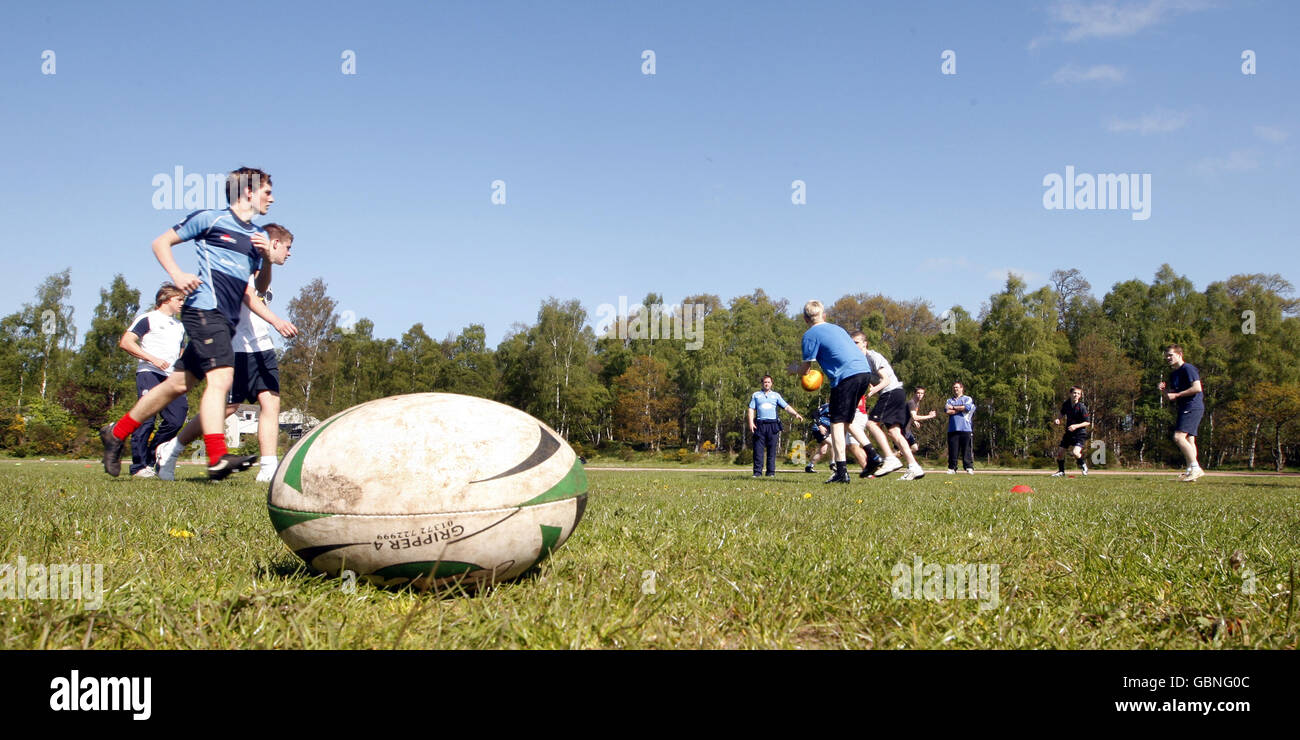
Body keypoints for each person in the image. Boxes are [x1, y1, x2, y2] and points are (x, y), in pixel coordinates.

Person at [100, 167, 280, 480]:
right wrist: (178, 275)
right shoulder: (210, 219)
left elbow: (260, 289)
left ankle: (117, 432)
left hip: (226, 322)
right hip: (203, 311)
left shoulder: (258, 237)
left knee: (177, 385)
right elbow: (161, 243)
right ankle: (217, 456)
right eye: (267, 191)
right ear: (248, 191)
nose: (272, 198)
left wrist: (265, 258)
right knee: (222, 379)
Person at [155, 224, 298, 482]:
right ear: (275, 242)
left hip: (261, 346)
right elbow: (248, 297)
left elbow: (262, 288)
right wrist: (278, 322)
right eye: (288, 248)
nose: (289, 254)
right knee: (227, 409)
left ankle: (268, 468)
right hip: (236, 347)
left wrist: (267, 261)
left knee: (271, 402)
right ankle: (171, 449)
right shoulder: (239, 260)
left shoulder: (259, 264)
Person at [794, 301, 873, 484]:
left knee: (836, 424)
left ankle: (841, 472)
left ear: (806, 319)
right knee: (846, 422)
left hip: (845, 377)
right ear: (825, 315)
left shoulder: (809, 335)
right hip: (864, 373)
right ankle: (873, 455)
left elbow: (806, 370)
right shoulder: (838, 329)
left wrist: (793, 370)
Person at [118, 284, 188, 477]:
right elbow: (126, 342)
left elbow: (181, 351)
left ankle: (154, 455)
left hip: (171, 378)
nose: (183, 303)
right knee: (146, 419)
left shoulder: (180, 326)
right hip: (149, 373)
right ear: (165, 299)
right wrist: (152, 359)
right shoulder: (148, 319)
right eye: (179, 299)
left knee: (177, 419)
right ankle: (139, 466)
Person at [851, 331, 926, 480]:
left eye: (857, 342)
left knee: (871, 423)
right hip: (896, 393)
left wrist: (873, 391)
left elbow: (885, 380)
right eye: (851, 343)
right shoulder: (862, 361)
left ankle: (890, 459)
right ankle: (914, 466)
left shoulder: (873, 357)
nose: (854, 346)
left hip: (891, 392)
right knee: (894, 433)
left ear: (865, 343)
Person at [1158, 344, 1205, 482]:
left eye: (1170, 355)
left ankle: (1196, 468)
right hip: (1184, 407)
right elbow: (1171, 396)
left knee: (1178, 437)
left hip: (1193, 406)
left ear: (1179, 354)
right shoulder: (1174, 374)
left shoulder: (1188, 368)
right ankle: (1191, 470)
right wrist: (1163, 391)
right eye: (1166, 355)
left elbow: (1197, 388)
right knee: (1189, 439)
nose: (1168, 358)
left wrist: (1177, 395)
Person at [747, 375, 804, 477]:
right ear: (762, 383)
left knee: (771, 450)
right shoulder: (756, 395)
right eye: (765, 382)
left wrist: (796, 414)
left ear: (771, 384)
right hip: (759, 425)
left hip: (773, 425)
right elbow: (751, 409)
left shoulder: (776, 396)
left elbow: (786, 407)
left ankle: (770, 473)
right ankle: (757, 473)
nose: (767, 384)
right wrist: (751, 422)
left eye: (768, 382)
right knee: (758, 450)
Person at [1051, 385, 1090, 477]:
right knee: (1060, 453)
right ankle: (1061, 471)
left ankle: (1084, 466)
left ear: (1080, 396)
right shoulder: (1066, 404)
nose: (1076, 395)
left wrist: (1076, 426)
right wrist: (1058, 419)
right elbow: (1062, 413)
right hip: (1069, 433)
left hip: (1080, 434)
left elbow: (1087, 422)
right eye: (1074, 393)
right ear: (1070, 394)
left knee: (1075, 452)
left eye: (1078, 394)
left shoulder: (1081, 407)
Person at [945, 381, 976, 474]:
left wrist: (954, 408)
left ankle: (969, 467)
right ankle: (952, 468)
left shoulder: (967, 398)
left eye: (957, 387)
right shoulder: (949, 400)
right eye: (954, 387)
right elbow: (947, 411)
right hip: (952, 429)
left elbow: (967, 408)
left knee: (967, 449)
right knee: (953, 450)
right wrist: (960, 409)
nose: (955, 389)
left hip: (966, 428)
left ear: (962, 388)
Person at [905, 386, 936, 454]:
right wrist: (929, 416)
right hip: (902, 429)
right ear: (914, 393)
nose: (920, 395)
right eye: (918, 393)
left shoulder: (917, 403)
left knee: (914, 448)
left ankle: (895, 456)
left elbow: (911, 415)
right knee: (909, 448)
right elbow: (915, 416)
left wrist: (915, 421)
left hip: (907, 430)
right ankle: (893, 458)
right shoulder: (911, 403)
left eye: (922, 393)